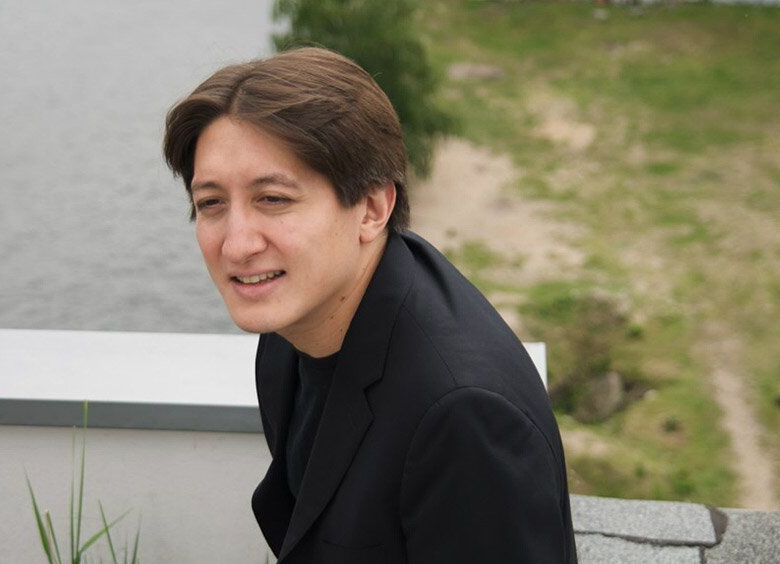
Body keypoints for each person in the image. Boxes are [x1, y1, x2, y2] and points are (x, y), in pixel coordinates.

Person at [163, 47, 577, 563]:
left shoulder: (463, 417)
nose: (237, 244)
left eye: (273, 199)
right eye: (211, 204)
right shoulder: (293, 326)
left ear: (373, 208)